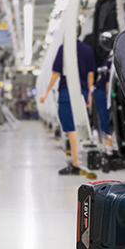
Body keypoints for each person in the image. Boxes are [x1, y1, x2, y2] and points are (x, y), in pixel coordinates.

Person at [40, 39, 95, 176]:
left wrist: (46, 92)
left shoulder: (64, 48)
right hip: (81, 92)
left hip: (66, 92)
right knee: (80, 126)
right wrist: (89, 94)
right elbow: (90, 74)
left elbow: (56, 73)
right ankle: (79, 160)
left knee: (70, 128)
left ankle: (76, 163)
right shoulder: (87, 49)